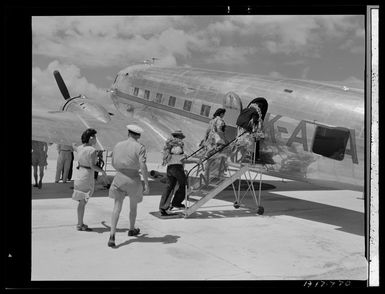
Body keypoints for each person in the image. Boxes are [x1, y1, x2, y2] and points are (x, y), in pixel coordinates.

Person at [107, 124, 150, 247]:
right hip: (133, 179)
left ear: (128, 133)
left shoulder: (118, 145)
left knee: (117, 207)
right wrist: (146, 183)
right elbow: (142, 165)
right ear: (138, 136)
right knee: (133, 206)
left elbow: (114, 163)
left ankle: (112, 235)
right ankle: (131, 229)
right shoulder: (140, 147)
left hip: (119, 178)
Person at [72, 129, 107, 231]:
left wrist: (73, 144)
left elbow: (74, 147)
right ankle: (80, 224)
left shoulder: (80, 148)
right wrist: (103, 172)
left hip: (80, 175)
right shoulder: (92, 150)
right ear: (91, 138)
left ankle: (80, 223)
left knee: (81, 202)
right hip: (87, 176)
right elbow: (92, 166)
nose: (96, 139)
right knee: (83, 202)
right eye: (95, 137)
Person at [159, 130, 190, 216]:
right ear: (179, 137)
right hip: (177, 168)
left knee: (169, 187)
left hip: (170, 168)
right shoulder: (178, 146)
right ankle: (176, 202)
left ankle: (163, 207)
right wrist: (196, 161)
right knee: (184, 185)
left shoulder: (169, 146)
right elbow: (181, 159)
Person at [236, 97, 268, 162]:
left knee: (240, 140)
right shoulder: (256, 112)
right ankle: (248, 156)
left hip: (239, 124)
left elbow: (241, 117)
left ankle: (238, 154)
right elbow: (254, 122)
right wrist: (255, 132)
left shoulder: (247, 109)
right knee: (249, 142)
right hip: (246, 127)